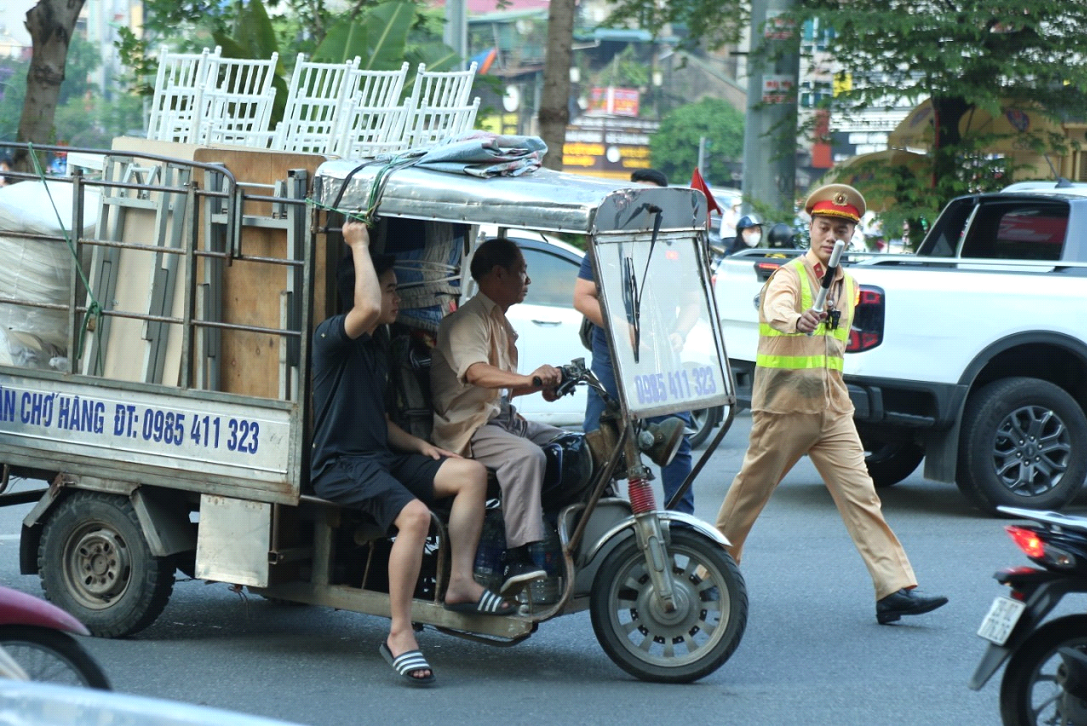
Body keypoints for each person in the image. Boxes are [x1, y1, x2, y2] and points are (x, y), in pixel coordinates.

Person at [712, 183, 948, 625]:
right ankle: (710, 575)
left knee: (863, 499)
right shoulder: (789, 276)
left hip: (832, 410)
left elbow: (835, 347)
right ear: (812, 228)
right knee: (748, 497)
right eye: (825, 227)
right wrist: (797, 319)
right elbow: (776, 309)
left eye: (841, 230)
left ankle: (893, 588)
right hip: (784, 409)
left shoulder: (849, 285)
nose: (832, 237)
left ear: (851, 235)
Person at [310, 219, 513, 687]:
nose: (396, 299)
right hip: (342, 466)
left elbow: (379, 421)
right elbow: (366, 305)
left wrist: (420, 446)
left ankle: (460, 581)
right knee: (416, 518)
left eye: (395, 290)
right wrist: (358, 243)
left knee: (470, 474)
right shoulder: (334, 337)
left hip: (379, 457)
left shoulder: (381, 343)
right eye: (390, 289)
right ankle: (399, 634)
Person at [430, 237, 563, 595]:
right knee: (526, 457)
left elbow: (501, 387)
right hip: (469, 427)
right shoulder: (468, 320)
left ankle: (557, 529)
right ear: (499, 274)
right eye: (523, 272)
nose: (527, 281)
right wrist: (528, 378)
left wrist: (542, 384)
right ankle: (519, 553)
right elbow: (476, 373)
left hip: (498, 418)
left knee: (571, 445)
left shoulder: (498, 321)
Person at [572, 169, 695, 514]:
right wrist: (621, 327)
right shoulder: (606, 243)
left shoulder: (674, 248)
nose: (642, 206)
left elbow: (692, 302)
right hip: (611, 355)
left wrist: (679, 333)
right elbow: (582, 297)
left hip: (659, 355)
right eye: (635, 198)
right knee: (599, 439)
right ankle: (599, 515)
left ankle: (681, 519)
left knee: (676, 436)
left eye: (650, 201)